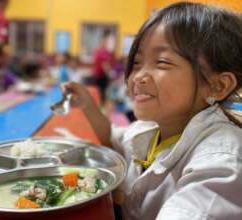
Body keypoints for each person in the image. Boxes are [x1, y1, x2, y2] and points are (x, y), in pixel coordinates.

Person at [62, 2, 242, 220]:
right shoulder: (154, 128)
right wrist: (89, 106)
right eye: (137, 63)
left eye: (162, 62)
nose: (137, 76)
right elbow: (114, 139)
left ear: (217, 86)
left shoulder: (220, 164)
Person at [92, 30, 115, 103]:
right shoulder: (101, 52)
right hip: (100, 75)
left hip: (100, 75)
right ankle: (101, 105)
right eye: (105, 41)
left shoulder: (100, 51)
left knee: (101, 92)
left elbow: (106, 64)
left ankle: (100, 104)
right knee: (101, 92)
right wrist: (109, 74)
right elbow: (104, 65)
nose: (105, 43)